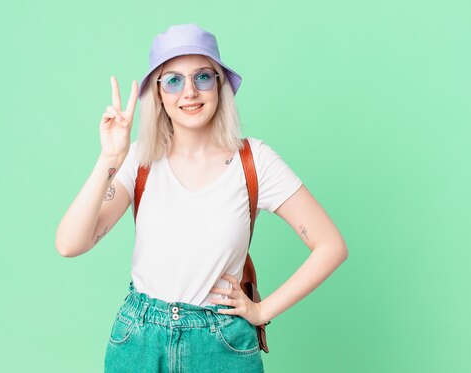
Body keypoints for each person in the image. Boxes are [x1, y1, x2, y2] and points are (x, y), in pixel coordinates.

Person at [55, 24, 348, 372]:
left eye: (203, 77)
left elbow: (331, 246)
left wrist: (262, 310)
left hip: (221, 344)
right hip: (139, 341)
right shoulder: (139, 159)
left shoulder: (254, 161)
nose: (189, 92)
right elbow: (70, 244)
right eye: (174, 80)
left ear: (220, 86)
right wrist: (108, 160)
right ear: (159, 94)